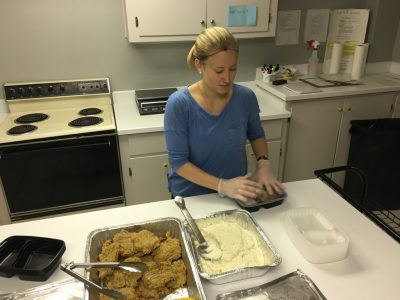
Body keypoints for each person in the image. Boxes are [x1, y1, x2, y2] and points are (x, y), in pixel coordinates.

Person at [164, 26, 283, 202]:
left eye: (233, 69)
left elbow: (256, 134)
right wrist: (223, 185)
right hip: (192, 198)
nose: (227, 78)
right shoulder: (180, 104)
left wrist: (263, 163)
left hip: (235, 194)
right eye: (219, 71)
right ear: (199, 65)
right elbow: (179, 162)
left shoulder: (245, 97)